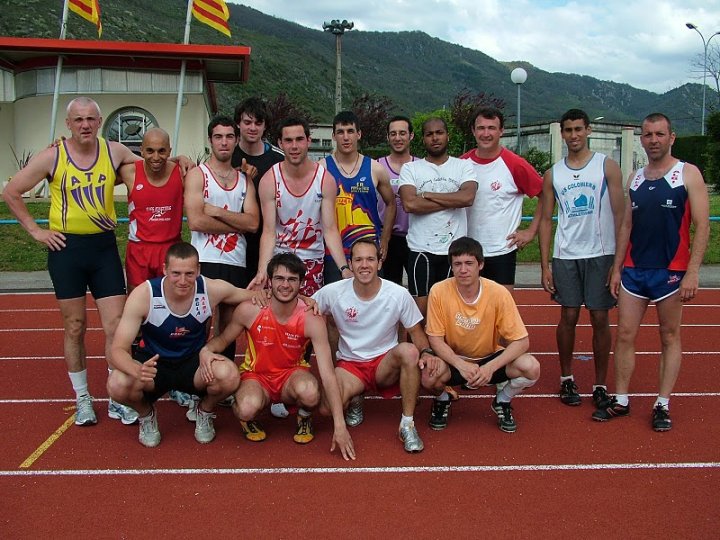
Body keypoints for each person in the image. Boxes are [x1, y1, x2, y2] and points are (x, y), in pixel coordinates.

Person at [2, 97, 150, 427]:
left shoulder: (114, 152)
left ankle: (116, 396)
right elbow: (12, 191)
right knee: (75, 326)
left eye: (91, 119)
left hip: (103, 249)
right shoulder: (53, 155)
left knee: (115, 326)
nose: (85, 124)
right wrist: (35, 232)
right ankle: (83, 396)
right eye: (78, 119)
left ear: (100, 122)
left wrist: (180, 159)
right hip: (66, 250)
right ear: (68, 124)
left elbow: (153, 166)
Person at [593, 113, 709, 432]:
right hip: (634, 271)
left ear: (671, 137)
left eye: (660, 134)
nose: (653, 140)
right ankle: (622, 399)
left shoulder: (688, 174)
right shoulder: (635, 179)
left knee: (669, 337)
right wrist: (616, 268)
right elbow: (626, 225)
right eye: (648, 135)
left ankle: (662, 403)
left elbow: (702, 227)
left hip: (671, 273)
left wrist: (693, 272)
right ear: (642, 139)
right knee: (626, 335)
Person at [201, 253, 355, 460]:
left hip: (292, 375)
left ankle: (304, 416)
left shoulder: (312, 319)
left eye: (292, 279)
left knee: (310, 393)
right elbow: (222, 340)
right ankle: (249, 420)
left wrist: (340, 425)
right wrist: (205, 351)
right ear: (270, 281)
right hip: (256, 376)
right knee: (246, 408)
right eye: (279, 279)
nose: (285, 285)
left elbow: (328, 374)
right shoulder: (250, 310)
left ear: (301, 283)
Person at [107, 242, 261, 447]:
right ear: (164, 270)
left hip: (193, 364)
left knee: (230, 375)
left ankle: (204, 410)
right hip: (154, 364)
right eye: (176, 273)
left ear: (198, 270)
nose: (183, 280)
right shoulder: (145, 295)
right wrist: (135, 369)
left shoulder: (210, 289)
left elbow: (253, 296)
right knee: (117, 384)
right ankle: (146, 415)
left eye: (189, 273)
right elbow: (117, 349)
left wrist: (303, 299)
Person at [312, 238, 442, 453]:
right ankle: (356, 395)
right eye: (359, 259)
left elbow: (416, 333)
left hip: (384, 364)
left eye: (370, 259)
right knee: (325, 408)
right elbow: (305, 305)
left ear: (380, 263)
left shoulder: (397, 293)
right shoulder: (333, 292)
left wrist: (427, 352)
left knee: (409, 352)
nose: (365, 265)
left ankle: (407, 424)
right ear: (350, 264)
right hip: (351, 367)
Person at [538, 109, 624, 409]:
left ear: (588, 130)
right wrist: (545, 264)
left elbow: (620, 215)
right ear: (562, 133)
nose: (573, 135)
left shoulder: (606, 167)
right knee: (568, 316)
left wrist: (618, 261)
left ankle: (600, 384)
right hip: (566, 255)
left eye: (578, 129)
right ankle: (566, 378)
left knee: (600, 318)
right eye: (568, 130)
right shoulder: (554, 174)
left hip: (601, 253)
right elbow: (547, 220)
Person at [422, 236, 540, 433]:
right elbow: (435, 339)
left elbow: (521, 341)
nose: (463, 269)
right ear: (451, 266)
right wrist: (461, 365)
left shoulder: (498, 293)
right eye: (457, 264)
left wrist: (489, 368)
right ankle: (443, 399)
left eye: (469, 263)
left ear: (481, 265)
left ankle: (502, 401)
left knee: (531, 367)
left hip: (488, 358)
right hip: (455, 359)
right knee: (427, 376)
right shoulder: (439, 291)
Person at [118, 127, 193, 408]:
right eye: (150, 150)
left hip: (170, 252)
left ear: (170, 150)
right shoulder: (129, 172)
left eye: (162, 150)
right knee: (137, 318)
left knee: (174, 319)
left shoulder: (182, 172)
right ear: (140, 150)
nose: (156, 156)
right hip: (139, 253)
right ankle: (136, 379)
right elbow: (92, 165)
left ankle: (178, 380)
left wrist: (187, 159)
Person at [185, 116, 260, 364]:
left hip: (235, 261)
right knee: (199, 323)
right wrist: (235, 223)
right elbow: (196, 221)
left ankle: (220, 380)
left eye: (229, 137)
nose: (224, 142)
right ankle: (192, 381)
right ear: (210, 141)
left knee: (227, 328)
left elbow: (252, 223)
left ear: (237, 140)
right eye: (218, 137)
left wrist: (217, 211)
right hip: (204, 259)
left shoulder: (244, 179)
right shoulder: (198, 175)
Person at [249, 116, 348, 296]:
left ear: (308, 141)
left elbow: (330, 229)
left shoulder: (324, 179)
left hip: (312, 262)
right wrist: (262, 271)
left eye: (299, 139)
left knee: (309, 316)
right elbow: (269, 232)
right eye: (288, 140)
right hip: (280, 262)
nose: (294, 146)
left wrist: (344, 268)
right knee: (278, 319)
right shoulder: (270, 180)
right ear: (280, 143)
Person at [398, 117, 477, 317]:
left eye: (439, 133)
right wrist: (453, 198)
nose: (435, 138)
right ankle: (422, 349)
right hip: (421, 250)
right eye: (429, 134)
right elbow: (410, 203)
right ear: (423, 139)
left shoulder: (463, 166)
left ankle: (448, 350)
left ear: (447, 136)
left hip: (454, 250)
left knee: (451, 312)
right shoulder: (411, 168)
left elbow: (467, 197)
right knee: (420, 313)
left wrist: (429, 195)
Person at [460, 107, 543, 289]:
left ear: (501, 131)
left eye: (492, 128)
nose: (486, 133)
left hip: (501, 250)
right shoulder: (462, 164)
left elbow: (545, 194)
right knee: (469, 310)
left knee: (501, 311)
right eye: (481, 128)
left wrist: (531, 231)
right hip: (468, 253)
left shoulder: (515, 164)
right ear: (473, 131)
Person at [319, 110, 395, 282]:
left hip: (368, 253)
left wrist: (385, 239)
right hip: (334, 253)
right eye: (340, 132)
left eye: (350, 131)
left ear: (359, 134)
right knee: (335, 306)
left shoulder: (374, 169)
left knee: (372, 304)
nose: (346, 137)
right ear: (333, 136)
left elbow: (391, 203)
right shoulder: (322, 169)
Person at [231, 97, 285, 280]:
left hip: (270, 242)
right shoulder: (227, 157)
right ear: (238, 123)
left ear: (265, 126)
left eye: (258, 123)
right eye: (247, 122)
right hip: (234, 243)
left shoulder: (279, 160)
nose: (253, 128)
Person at [377, 115, 418, 286]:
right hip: (387, 238)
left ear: (411, 136)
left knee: (419, 291)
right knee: (389, 291)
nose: (398, 138)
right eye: (393, 134)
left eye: (402, 133)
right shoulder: (377, 166)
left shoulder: (421, 167)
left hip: (416, 238)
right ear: (387, 137)